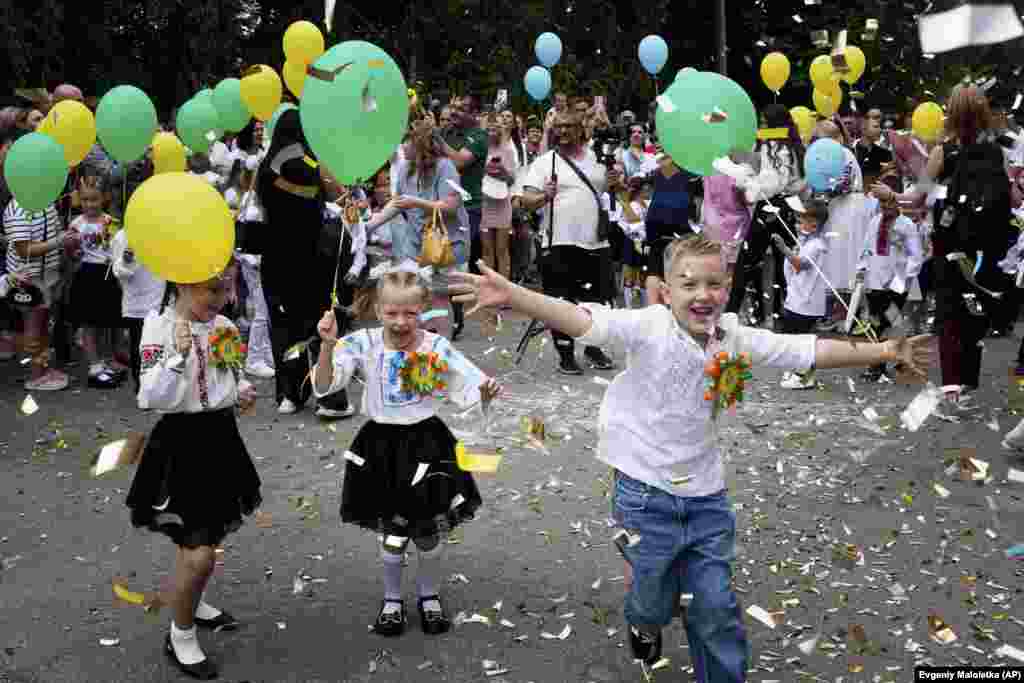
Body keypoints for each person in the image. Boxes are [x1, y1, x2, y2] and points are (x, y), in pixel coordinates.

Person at [449, 235, 933, 682]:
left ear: (728, 287)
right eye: (689, 284)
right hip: (643, 496)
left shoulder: (734, 337)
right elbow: (586, 321)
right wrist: (515, 294)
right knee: (653, 602)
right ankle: (643, 623)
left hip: (706, 497)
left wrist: (885, 350)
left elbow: (804, 349)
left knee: (715, 606)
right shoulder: (649, 326)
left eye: (714, 283)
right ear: (665, 290)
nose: (703, 294)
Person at [312, 265, 501, 637]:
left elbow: (469, 384)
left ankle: (429, 596)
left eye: (410, 313)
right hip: (380, 447)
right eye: (391, 312)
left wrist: (485, 391)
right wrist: (327, 345)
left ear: (423, 309)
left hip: (428, 445)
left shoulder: (435, 346)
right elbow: (324, 386)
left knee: (427, 530)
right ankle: (392, 599)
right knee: (394, 532)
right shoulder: (361, 343)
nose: (400, 321)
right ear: (377, 309)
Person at [126, 272, 260, 680]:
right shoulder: (159, 325)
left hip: (220, 439)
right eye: (212, 289)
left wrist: (241, 392)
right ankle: (180, 633)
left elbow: (227, 379)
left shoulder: (224, 327)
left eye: (227, 287)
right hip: (181, 444)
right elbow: (150, 397)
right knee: (199, 552)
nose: (222, 297)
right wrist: (177, 357)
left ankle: (193, 602)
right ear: (182, 284)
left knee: (207, 540)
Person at [872, 84, 1012, 405]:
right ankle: (969, 383)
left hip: (950, 247)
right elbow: (1012, 196)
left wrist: (891, 195)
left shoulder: (943, 152)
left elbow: (916, 198)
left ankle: (952, 388)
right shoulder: (996, 152)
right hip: (985, 250)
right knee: (974, 310)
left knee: (949, 314)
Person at [255, 108, 351, 416]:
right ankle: (329, 397)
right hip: (311, 256)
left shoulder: (266, 167)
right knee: (318, 325)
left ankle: (289, 395)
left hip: (274, 257)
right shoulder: (312, 164)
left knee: (283, 327)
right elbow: (340, 196)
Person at [519, 111, 616, 375]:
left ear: (580, 128)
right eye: (558, 127)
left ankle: (593, 348)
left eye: (568, 126)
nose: (562, 131)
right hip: (559, 241)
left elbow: (608, 189)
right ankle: (565, 355)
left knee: (597, 302)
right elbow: (525, 199)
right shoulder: (545, 162)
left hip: (596, 242)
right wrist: (543, 196)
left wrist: (615, 182)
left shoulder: (597, 158)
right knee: (561, 302)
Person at [732, 104, 807, 326]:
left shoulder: (774, 147)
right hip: (790, 208)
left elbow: (773, 182)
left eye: (764, 123)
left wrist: (748, 189)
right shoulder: (794, 147)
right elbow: (800, 183)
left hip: (771, 206)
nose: (761, 127)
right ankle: (781, 315)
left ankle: (743, 313)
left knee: (748, 262)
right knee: (784, 264)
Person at [4, 189, 79, 391]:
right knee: (33, 326)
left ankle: (43, 367)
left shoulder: (45, 201)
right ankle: (35, 375)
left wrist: (65, 239)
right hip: (29, 277)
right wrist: (58, 242)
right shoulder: (18, 208)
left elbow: (53, 233)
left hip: (47, 274)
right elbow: (23, 249)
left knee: (44, 323)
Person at [856, 175, 925, 382]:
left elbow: (916, 256)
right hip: (875, 281)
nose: (885, 206)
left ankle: (879, 365)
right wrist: (861, 270)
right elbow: (866, 249)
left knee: (887, 322)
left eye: (889, 201)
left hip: (897, 285)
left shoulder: (906, 226)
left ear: (897, 200)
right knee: (879, 322)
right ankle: (889, 361)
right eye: (882, 202)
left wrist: (903, 280)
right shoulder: (875, 222)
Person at [66, 171, 125, 388]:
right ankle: (94, 364)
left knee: (108, 322)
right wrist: (72, 249)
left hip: (108, 274)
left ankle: (107, 360)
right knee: (90, 324)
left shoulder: (111, 222)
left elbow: (118, 249)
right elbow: (72, 255)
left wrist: (116, 245)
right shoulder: (76, 224)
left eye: (94, 199)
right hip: (87, 276)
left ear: (104, 198)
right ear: (80, 199)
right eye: (85, 199)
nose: (90, 204)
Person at [774, 200, 830, 390]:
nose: (798, 223)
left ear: (814, 224)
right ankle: (798, 369)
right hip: (797, 298)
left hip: (806, 301)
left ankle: (804, 375)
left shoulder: (817, 245)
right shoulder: (807, 242)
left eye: (802, 219)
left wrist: (783, 248)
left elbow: (800, 264)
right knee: (793, 335)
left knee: (801, 338)